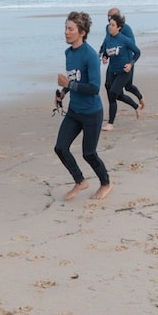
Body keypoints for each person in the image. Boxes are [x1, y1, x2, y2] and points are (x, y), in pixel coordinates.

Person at [54, 11, 112, 201]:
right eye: (65, 28)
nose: (66, 32)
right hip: (74, 111)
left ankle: (106, 183)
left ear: (82, 32)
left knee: (89, 153)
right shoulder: (68, 53)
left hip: (91, 113)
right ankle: (80, 181)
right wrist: (63, 94)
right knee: (60, 148)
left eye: (71, 29)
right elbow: (74, 79)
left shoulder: (90, 55)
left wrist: (67, 85)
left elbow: (94, 88)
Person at [99, 14, 141, 130]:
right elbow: (107, 52)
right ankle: (136, 106)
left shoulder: (125, 40)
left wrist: (130, 64)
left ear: (118, 27)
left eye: (113, 25)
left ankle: (110, 124)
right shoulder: (108, 39)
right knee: (118, 95)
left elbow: (137, 52)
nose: (110, 27)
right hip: (112, 71)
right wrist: (105, 57)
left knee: (112, 94)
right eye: (109, 24)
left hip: (124, 72)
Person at [107, 7, 145, 110]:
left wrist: (130, 64)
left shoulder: (126, 29)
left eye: (112, 16)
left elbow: (133, 46)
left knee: (128, 87)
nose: (109, 18)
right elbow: (106, 42)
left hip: (127, 62)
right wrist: (103, 54)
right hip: (113, 62)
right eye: (108, 17)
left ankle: (140, 97)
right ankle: (113, 109)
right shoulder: (109, 28)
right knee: (108, 85)